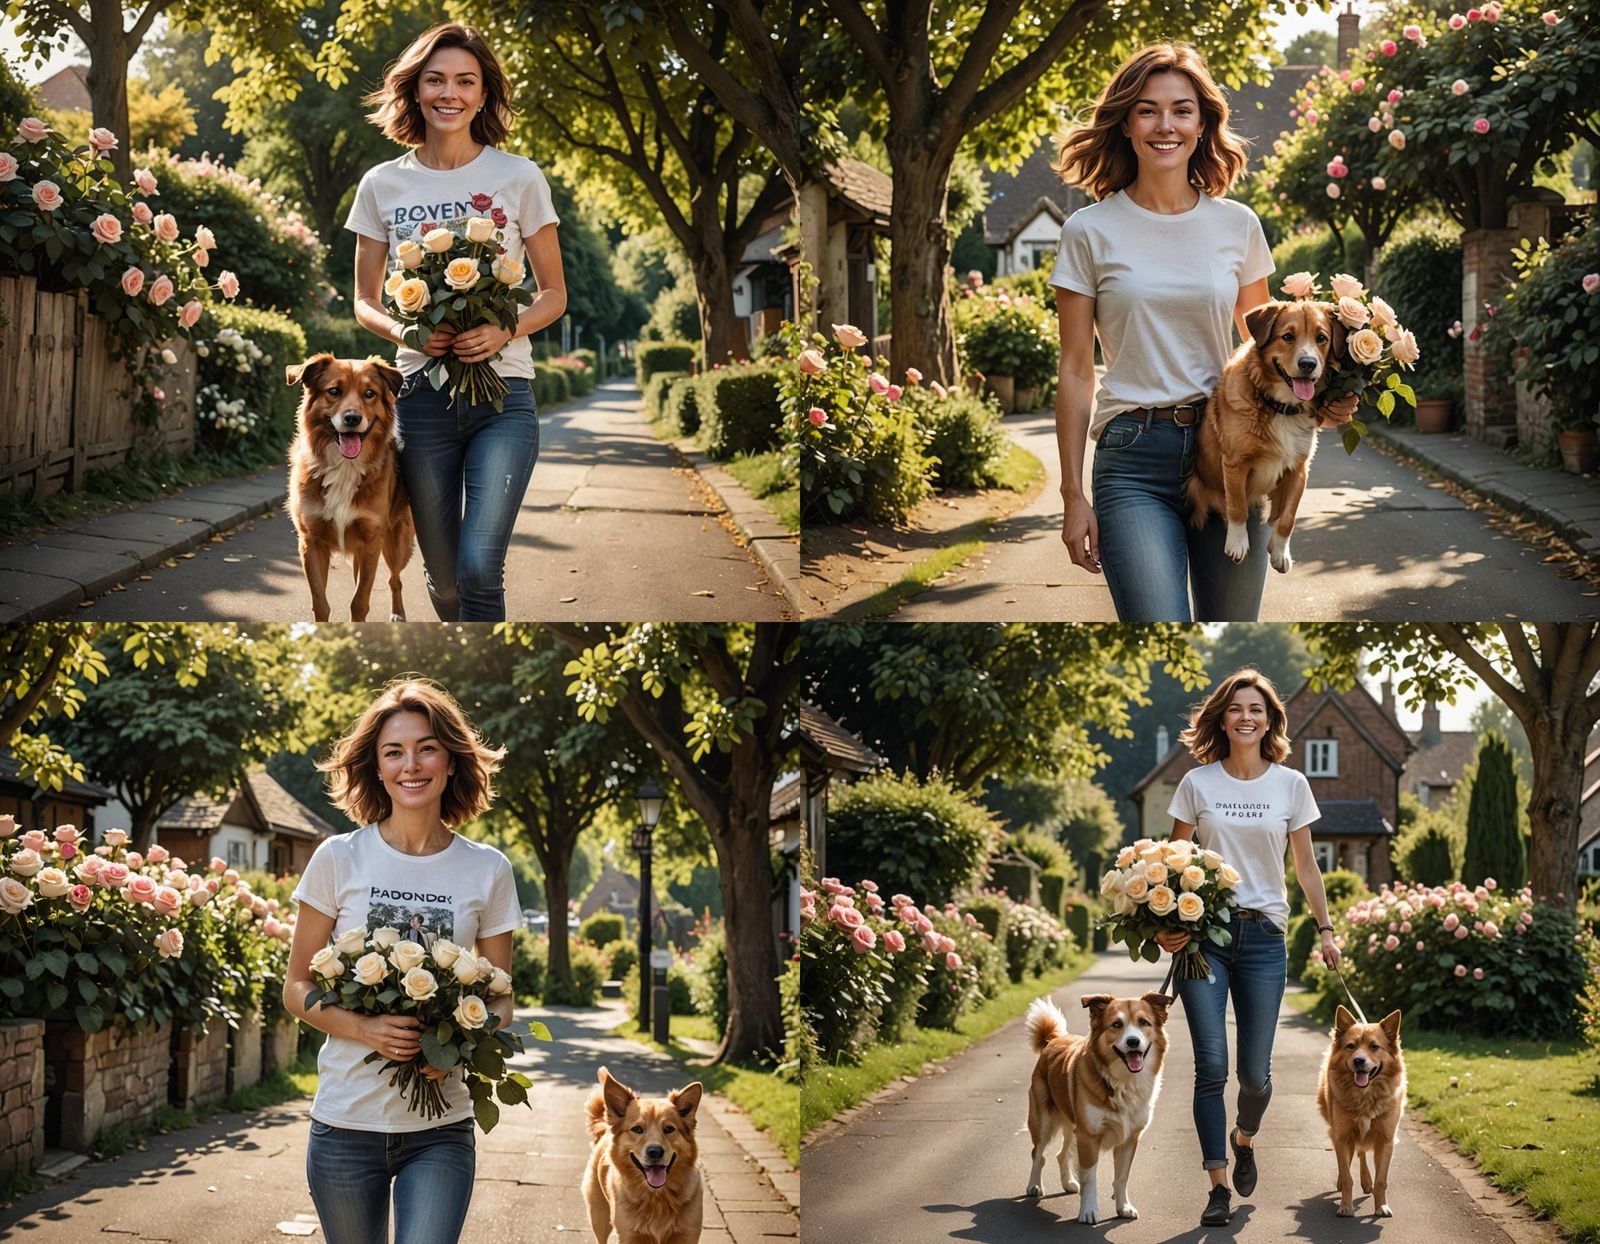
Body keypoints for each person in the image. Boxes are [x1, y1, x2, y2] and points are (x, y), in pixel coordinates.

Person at [1049, 43, 1358, 621]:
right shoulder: (1088, 232)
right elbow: (1074, 368)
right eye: (1146, 109)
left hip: (1231, 446)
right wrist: (1072, 496)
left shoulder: (1237, 225)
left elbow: (1270, 354)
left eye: (1181, 109)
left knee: (1231, 625)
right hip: (1133, 456)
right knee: (1156, 623)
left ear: (1202, 123)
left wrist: (1326, 401)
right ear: (1125, 122)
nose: (1165, 125)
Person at [283, 678, 521, 1244]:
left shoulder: (488, 870)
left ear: (451, 761)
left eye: (426, 747)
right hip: (345, 1125)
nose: (411, 765)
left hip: (441, 1129)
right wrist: (365, 1027)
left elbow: (503, 998)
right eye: (394, 751)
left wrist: (458, 1046)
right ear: (378, 767)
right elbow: (296, 988)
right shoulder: (338, 858)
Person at [348, 22, 568, 622]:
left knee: (478, 569)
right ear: (415, 90)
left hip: (506, 401)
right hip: (420, 403)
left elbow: (553, 294)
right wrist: (408, 333)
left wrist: (507, 329)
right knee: (444, 582)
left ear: (484, 94)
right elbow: (365, 301)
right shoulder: (381, 184)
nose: (450, 92)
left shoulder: (519, 177)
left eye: (465, 81)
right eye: (436, 79)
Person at [1157, 668, 1344, 1227]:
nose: (1246, 717)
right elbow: (1171, 867)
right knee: (1210, 1065)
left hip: (1264, 937)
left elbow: (1307, 867)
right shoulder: (1197, 784)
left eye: (1256, 709)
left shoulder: (1291, 785)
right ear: (1223, 717)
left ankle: (1245, 1137)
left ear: (1270, 721)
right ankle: (1217, 1185)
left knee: (1255, 1076)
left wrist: (1328, 930)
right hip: (1204, 940)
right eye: (1236, 708)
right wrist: (1166, 926)